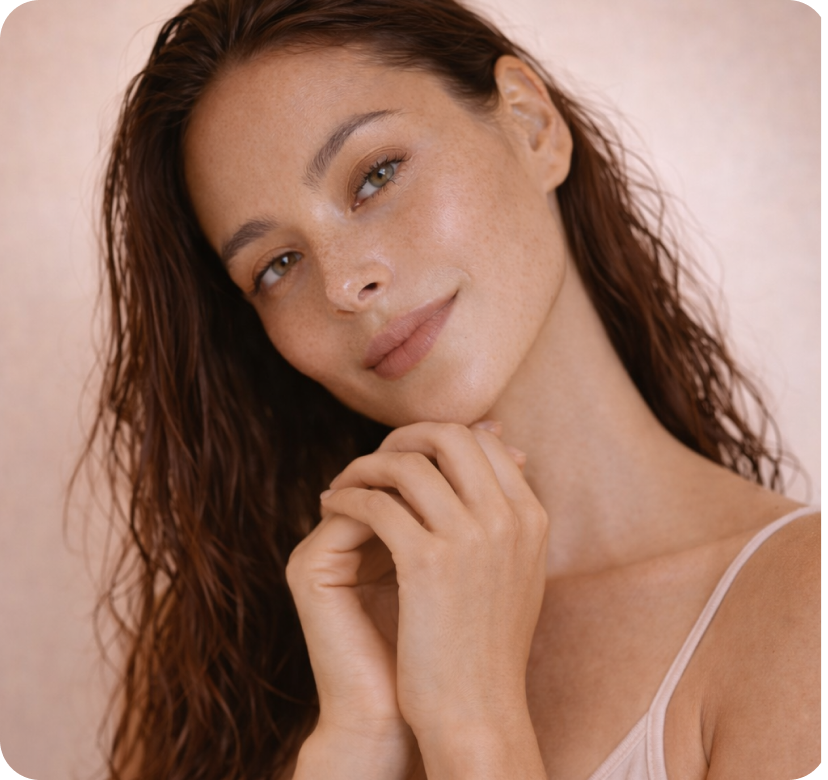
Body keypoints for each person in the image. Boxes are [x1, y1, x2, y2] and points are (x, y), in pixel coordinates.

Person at [80, 0, 820, 778]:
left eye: (376, 176)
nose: (344, 284)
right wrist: (358, 744)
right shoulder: (256, 661)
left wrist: (473, 720)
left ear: (532, 126)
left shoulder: (803, 608)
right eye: (277, 266)